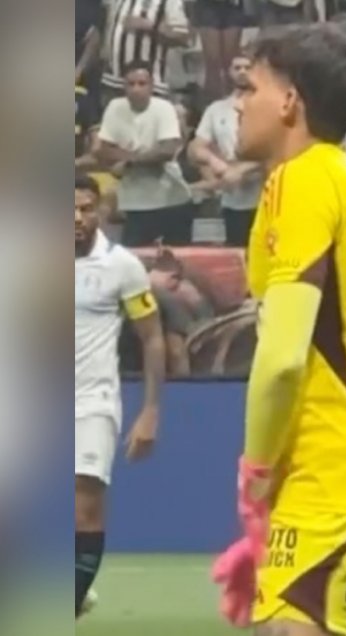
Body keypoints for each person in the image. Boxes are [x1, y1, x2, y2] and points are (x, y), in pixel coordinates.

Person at [210, 23, 346, 636]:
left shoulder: (299, 180)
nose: (238, 103)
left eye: (250, 86)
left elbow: (282, 358)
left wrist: (255, 474)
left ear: (288, 101)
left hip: (331, 478)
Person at [74, 173, 166, 618]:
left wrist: (150, 410)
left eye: (86, 208)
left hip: (92, 400)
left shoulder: (122, 265)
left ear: (102, 212)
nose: (76, 217)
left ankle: (67, 600)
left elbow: (151, 338)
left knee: (86, 503)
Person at [96, 60, 195, 247]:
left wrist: (128, 161)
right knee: (135, 261)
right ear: (123, 86)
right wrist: (144, 156)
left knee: (178, 262)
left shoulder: (163, 108)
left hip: (172, 200)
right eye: (131, 84)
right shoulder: (115, 107)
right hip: (134, 203)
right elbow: (103, 150)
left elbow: (167, 150)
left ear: (151, 86)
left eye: (142, 84)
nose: (136, 89)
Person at [191, 53, 264, 247]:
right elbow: (197, 147)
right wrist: (218, 165)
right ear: (228, 73)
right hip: (233, 201)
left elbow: (279, 149)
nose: (242, 72)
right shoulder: (216, 109)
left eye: (247, 67)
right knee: (238, 258)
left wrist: (242, 170)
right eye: (237, 68)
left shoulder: (269, 106)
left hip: (266, 198)